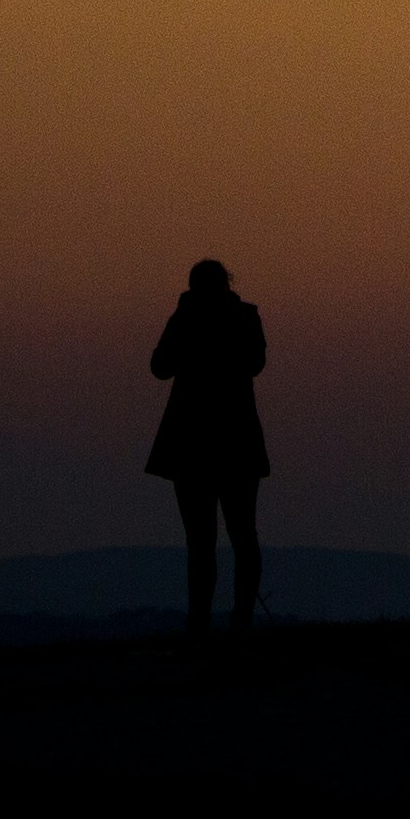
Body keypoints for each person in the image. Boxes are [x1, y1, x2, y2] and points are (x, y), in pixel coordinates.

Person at [146, 256, 268, 633]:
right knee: (239, 536)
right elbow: (254, 363)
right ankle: (236, 618)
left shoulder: (190, 320)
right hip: (234, 442)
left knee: (204, 539)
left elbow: (160, 367)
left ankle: (204, 619)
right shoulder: (244, 318)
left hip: (195, 444)